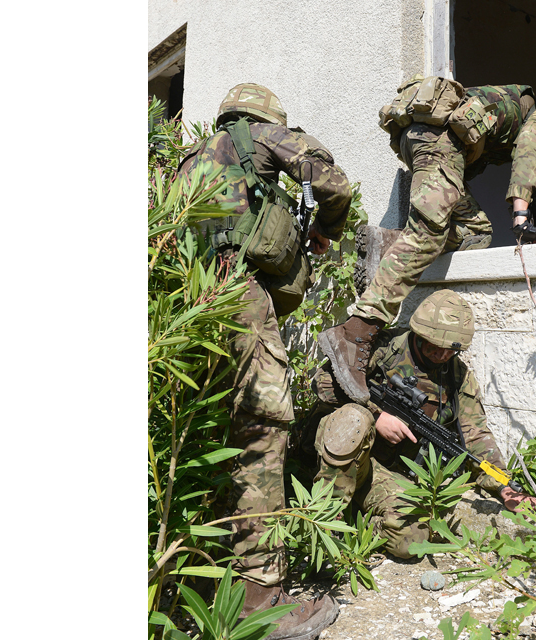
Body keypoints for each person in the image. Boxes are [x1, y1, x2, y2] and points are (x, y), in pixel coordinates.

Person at [177, 82, 351, 640]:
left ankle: (202, 569)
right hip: (239, 294)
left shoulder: (190, 160)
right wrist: (325, 230)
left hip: (188, 298)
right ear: (260, 116)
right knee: (264, 426)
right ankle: (260, 595)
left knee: (209, 428)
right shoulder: (260, 137)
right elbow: (333, 182)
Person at [318, 79, 536, 404]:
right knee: (428, 232)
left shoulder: (501, 105)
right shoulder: (535, 117)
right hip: (438, 145)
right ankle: (357, 331)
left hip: (420, 141)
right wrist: (521, 221)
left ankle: (389, 244)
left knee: (477, 231)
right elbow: (528, 160)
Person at [308, 290, 536, 557]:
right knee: (354, 420)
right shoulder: (381, 347)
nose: (441, 355)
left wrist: (503, 485)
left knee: (411, 540)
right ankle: (321, 528)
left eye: (449, 350)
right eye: (433, 345)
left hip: (383, 473)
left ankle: (354, 524)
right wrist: (377, 415)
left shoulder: (458, 377)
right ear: (418, 333)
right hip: (344, 454)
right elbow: (322, 384)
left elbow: (475, 437)